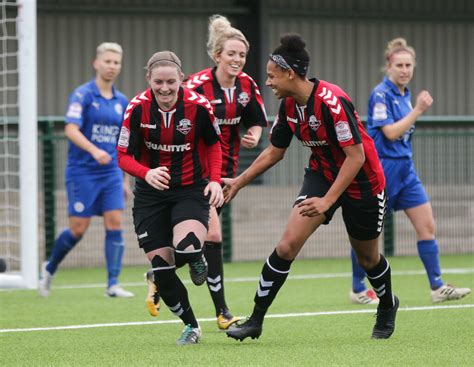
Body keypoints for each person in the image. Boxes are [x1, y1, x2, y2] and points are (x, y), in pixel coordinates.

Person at [224, 34, 399, 341]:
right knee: (286, 246)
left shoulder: (332, 101)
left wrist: (328, 202)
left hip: (363, 181)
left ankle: (387, 305)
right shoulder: (289, 107)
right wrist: (239, 182)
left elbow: (356, 157)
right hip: (322, 174)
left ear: (290, 73)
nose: (267, 83)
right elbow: (274, 152)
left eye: (271, 76)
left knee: (367, 259)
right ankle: (255, 320)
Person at [349, 37, 471, 304]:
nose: (404, 70)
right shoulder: (381, 94)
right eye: (399, 65)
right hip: (383, 169)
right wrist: (418, 110)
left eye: (409, 65)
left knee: (427, 225)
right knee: (369, 234)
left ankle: (437, 287)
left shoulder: (405, 95)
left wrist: (413, 108)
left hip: (406, 170)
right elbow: (390, 133)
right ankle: (358, 288)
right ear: (388, 67)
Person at [117, 50, 224, 345]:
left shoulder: (199, 106)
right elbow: (123, 156)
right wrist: (145, 172)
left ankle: (196, 257)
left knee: (187, 248)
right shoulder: (136, 109)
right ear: (148, 79)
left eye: (171, 82)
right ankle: (191, 326)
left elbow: (214, 146)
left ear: (181, 80)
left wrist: (215, 181)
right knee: (163, 272)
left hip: (190, 189)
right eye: (159, 82)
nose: (165, 89)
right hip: (150, 196)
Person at [180, 14, 268, 330]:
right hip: (196, 172)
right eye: (231, 54)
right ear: (218, 55)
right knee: (214, 235)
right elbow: (178, 122)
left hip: (227, 174)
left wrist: (255, 134)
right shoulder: (196, 85)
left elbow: (257, 119)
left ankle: (160, 271)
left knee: (204, 239)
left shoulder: (247, 86)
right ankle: (223, 312)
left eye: (242, 55)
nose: (237, 59)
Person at [39, 42, 134, 298]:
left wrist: (125, 180)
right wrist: (94, 150)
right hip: (82, 171)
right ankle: (49, 267)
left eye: (116, 62)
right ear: (96, 63)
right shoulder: (82, 95)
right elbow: (70, 129)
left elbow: (123, 141)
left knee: (114, 222)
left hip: (112, 172)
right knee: (78, 228)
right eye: (108, 61)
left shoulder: (122, 101)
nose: (112, 66)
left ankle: (113, 284)